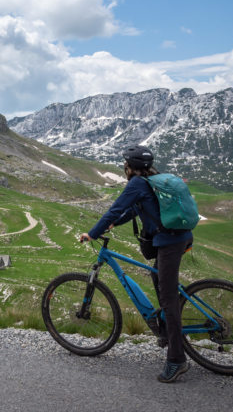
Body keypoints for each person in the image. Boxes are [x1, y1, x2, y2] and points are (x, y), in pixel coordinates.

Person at [79, 145, 194, 383]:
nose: (124, 168)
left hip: (170, 242)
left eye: (125, 165)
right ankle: (164, 331)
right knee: (157, 278)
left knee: (169, 298)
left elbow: (115, 209)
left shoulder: (136, 183)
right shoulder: (151, 179)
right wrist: (115, 224)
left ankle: (176, 359)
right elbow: (133, 210)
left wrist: (92, 233)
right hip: (177, 237)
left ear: (129, 167)